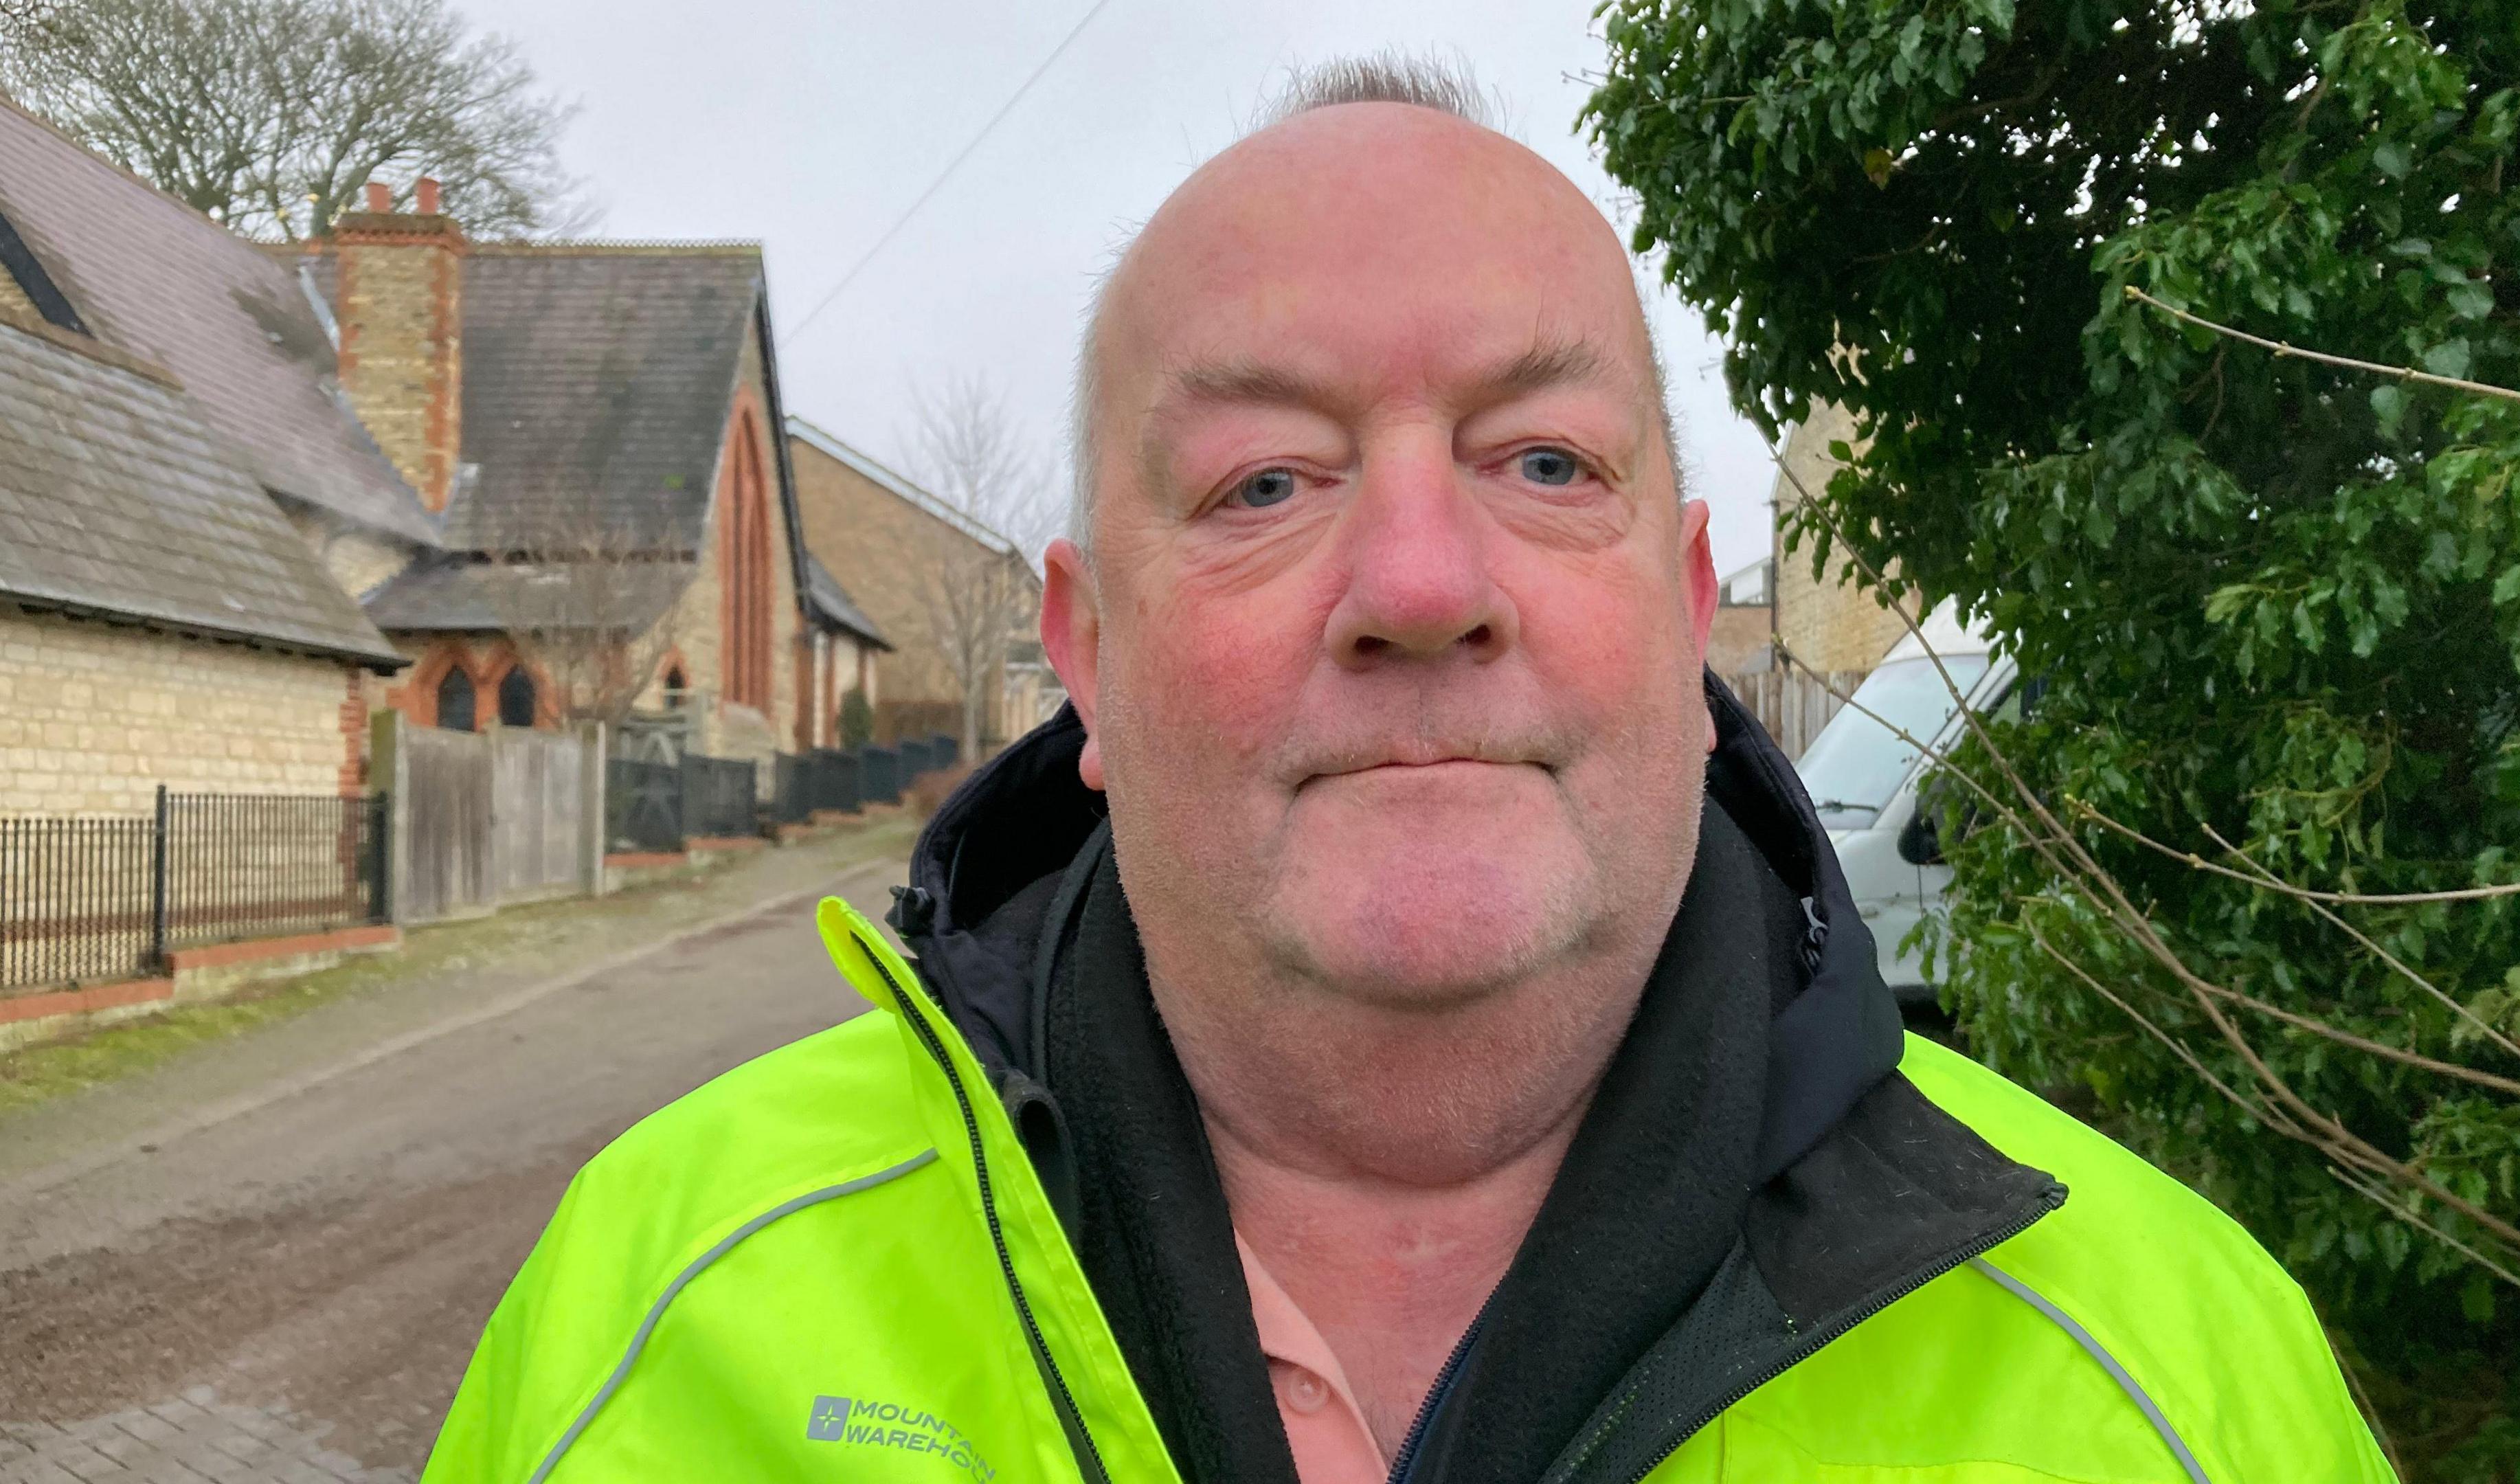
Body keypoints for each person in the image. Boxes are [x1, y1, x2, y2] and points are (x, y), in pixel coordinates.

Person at [425, 56, 2395, 1484]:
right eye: (1265, 482)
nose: (1425, 584)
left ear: (1687, 609)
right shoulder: (646, 1314)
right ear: (1085, 655)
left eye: (1545, 463)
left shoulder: (2176, 1386)